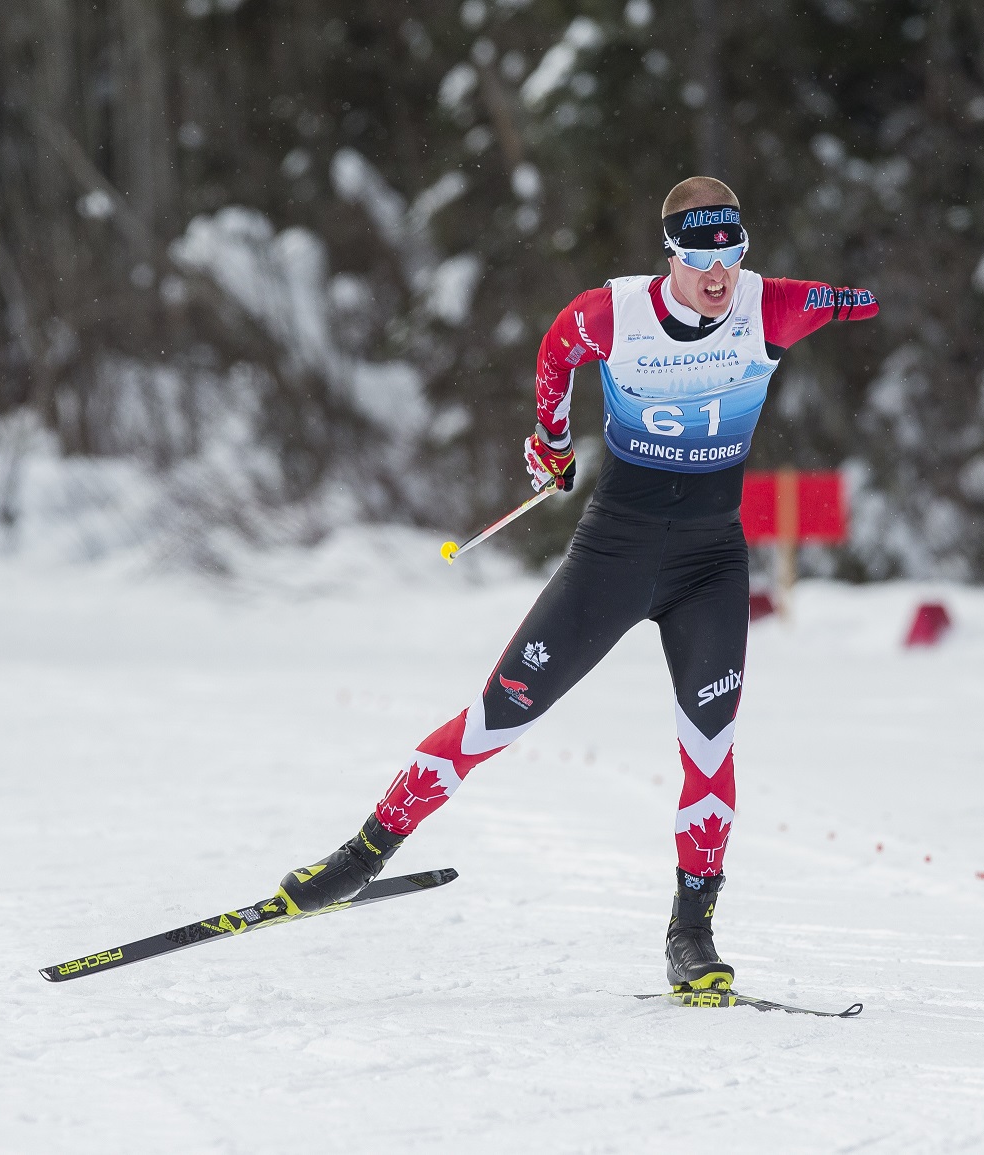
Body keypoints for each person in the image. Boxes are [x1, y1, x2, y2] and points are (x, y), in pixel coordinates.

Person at [277, 176, 878, 994]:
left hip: (710, 563)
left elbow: (858, 302)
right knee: (498, 715)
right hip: (615, 554)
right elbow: (557, 350)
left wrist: (868, 296)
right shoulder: (613, 314)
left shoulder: (770, 307)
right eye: (701, 254)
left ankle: (691, 934)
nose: (718, 272)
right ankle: (359, 856)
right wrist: (551, 444)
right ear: (670, 252)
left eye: (731, 252)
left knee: (709, 747)